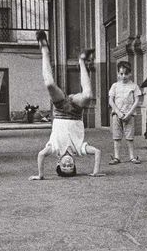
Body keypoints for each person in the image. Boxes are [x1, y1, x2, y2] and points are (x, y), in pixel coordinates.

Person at [29, 30, 104, 180]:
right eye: (71, 166)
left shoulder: (54, 149)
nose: (68, 164)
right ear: (74, 164)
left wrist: (40, 175)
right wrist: (95, 172)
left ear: (58, 163)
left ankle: (44, 49)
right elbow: (97, 152)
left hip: (60, 110)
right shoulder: (80, 150)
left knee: (50, 84)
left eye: (64, 166)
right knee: (88, 95)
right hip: (75, 112)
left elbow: (41, 155)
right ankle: (82, 61)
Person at [108, 61, 143, 165]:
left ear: (130, 73)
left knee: (130, 136)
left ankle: (132, 156)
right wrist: (118, 112)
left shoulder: (134, 86)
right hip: (116, 115)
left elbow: (137, 101)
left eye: (126, 74)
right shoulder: (115, 86)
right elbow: (111, 100)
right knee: (117, 136)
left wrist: (129, 113)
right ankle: (117, 157)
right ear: (118, 74)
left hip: (129, 115)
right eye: (121, 74)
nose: (124, 76)